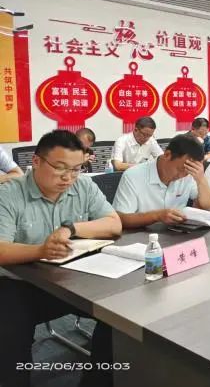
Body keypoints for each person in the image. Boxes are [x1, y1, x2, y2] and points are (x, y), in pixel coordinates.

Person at [0, 130, 121, 387]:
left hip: (72, 278)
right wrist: (40, 251)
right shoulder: (9, 193)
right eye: (60, 168)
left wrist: (71, 228)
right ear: (36, 161)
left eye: (76, 169)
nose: (68, 177)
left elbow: (114, 224)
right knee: (9, 336)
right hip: (19, 284)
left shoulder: (83, 185)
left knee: (120, 317)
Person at [112, 134, 210, 229]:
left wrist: (201, 179)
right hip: (141, 237)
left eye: (188, 172)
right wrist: (157, 216)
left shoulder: (188, 174)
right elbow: (121, 219)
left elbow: (208, 205)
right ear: (167, 154)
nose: (182, 176)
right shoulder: (133, 176)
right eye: (180, 169)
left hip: (176, 235)